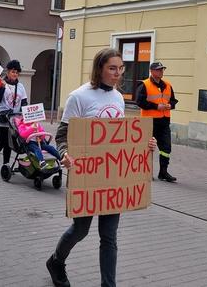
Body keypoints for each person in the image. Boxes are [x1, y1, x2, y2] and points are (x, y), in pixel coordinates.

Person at [46, 48, 157, 287]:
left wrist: (144, 143)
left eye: (121, 69)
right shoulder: (79, 96)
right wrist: (65, 154)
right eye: (112, 68)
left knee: (109, 237)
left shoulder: (117, 97)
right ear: (100, 69)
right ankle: (56, 261)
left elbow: (120, 139)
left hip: (112, 178)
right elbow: (62, 135)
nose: (118, 74)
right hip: (87, 174)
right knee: (80, 230)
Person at [136, 61, 179, 183]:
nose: (161, 71)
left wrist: (171, 105)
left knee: (166, 148)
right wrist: (156, 107)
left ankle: (163, 172)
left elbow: (173, 100)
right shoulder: (144, 84)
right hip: (149, 121)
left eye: (162, 69)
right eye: (159, 69)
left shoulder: (168, 85)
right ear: (152, 71)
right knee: (147, 148)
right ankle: (145, 172)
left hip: (164, 121)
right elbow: (139, 102)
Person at [0, 60, 28, 171]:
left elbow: (24, 101)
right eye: (12, 72)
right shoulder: (0, 84)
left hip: (14, 118)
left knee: (10, 142)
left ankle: (6, 164)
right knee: (3, 140)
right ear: (8, 72)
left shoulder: (20, 86)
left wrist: (26, 114)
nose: (15, 74)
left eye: (16, 72)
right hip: (2, 117)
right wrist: (3, 87)